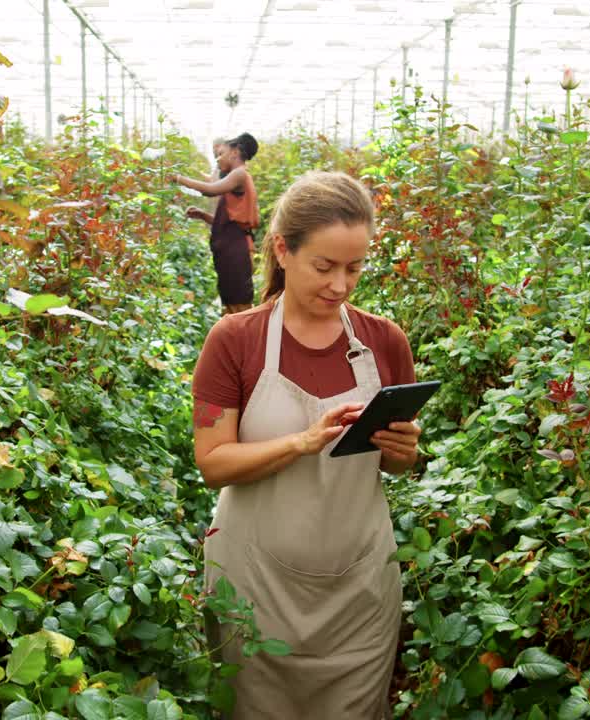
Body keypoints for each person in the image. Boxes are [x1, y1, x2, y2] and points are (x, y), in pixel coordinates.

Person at [190, 171, 422, 718]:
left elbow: (395, 467)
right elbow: (213, 463)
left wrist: (403, 452)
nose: (340, 285)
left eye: (354, 268)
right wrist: (302, 441)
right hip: (255, 588)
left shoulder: (385, 341)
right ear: (283, 250)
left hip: (359, 589)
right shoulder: (236, 340)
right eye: (324, 266)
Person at [176, 133, 259, 315]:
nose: (218, 159)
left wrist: (178, 178)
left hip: (237, 250)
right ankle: (233, 339)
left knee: (239, 305)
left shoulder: (239, 174)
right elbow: (231, 223)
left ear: (234, 153)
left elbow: (210, 190)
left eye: (221, 153)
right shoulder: (238, 176)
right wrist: (203, 215)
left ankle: (243, 341)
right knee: (232, 302)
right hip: (233, 248)